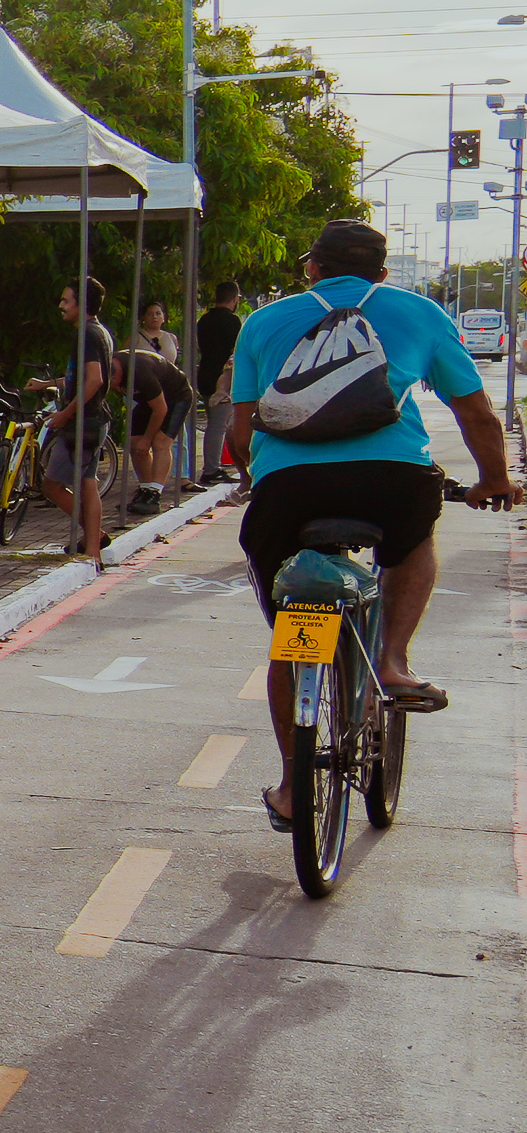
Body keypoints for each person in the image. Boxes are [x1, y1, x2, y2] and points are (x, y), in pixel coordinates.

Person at [231, 219, 516, 829]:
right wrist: (494, 480)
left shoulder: (262, 321)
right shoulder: (417, 312)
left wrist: (260, 481)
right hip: (393, 481)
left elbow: (241, 428)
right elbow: (474, 409)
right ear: (381, 274)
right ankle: (391, 659)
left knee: (292, 637)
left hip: (289, 493)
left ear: (312, 267)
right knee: (412, 541)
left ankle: (291, 785)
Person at [37, 277, 119, 555]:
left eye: (66, 301)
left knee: (51, 485)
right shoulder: (99, 332)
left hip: (84, 422)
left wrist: (65, 413)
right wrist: (46, 384)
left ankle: (94, 538)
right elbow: (82, 376)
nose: (61, 306)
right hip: (94, 419)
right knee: (87, 484)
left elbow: (94, 380)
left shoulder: (87, 334)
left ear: (81, 304)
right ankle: (93, 546)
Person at [121, 341, 194, 513]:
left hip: (176, 397)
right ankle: (145, 489)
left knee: (160, 442)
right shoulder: (110, 369)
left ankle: (155, 493)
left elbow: (160, 409)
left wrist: (147, 439)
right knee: (134, 443)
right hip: (149, 400)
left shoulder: (140, 372)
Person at [194, 286, 246, 473]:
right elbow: (236, 351)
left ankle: (211, 466)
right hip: (221, 377)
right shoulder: (232, 321)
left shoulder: (204, 320)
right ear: (234, 299)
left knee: (213, 422)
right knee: (218, 425)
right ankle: (211, 469)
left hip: (205, 373)